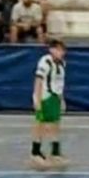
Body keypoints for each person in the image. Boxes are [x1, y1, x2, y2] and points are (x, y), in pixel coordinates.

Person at [30, 39, 68, 169]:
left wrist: (62, 99)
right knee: (40, 125)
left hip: (55, 98)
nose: (61, 52)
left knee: (55, 124)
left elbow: (60, 83)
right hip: (45, 97)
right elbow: (38, 81)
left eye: (62, 50)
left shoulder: (63, 63)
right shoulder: (45, 62)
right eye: (58, 49)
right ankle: (35, 152)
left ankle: (55, 152)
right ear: (51, 50)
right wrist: (37, 100)